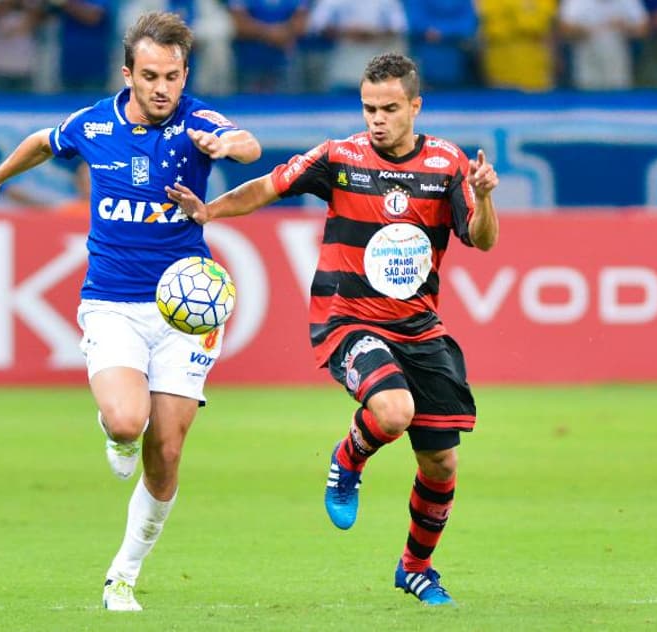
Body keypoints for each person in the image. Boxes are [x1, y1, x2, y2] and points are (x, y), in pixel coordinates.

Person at [168, 52, 499, 606]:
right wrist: (210, 213)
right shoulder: (340, 157)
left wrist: (485, 197)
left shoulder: (447, 164)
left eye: (390, 108)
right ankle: (348, 458)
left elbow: (482, 239)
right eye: (369, 107)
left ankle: (416, 568)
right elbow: (269, 186)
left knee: (441, 462)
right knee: (393, 410)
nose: (377, 118)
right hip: (347, 319)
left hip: (419, 327)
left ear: (414, 107)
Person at [0, 11, 262, 611]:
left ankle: (122, 573)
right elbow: (43, 142)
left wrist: (224, 145)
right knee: (128, 422)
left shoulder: (198, 121)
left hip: (183, 313)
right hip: (113, 306)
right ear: (128, 73)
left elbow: (247, 146)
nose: (162, 89)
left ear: (184, 74)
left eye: (173, 76)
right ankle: (114, 430)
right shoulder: (95, 124)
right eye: (150, 76)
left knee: (167, 453)